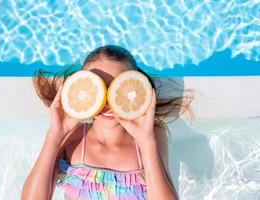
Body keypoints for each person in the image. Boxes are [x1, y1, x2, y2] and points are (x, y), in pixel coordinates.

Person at [22, 45, 193, 200]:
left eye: (118, 90)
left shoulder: (150, 135)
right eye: (99, 90)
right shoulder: (71, 137)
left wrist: (145, 141)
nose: (109, 103)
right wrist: (54, 135)